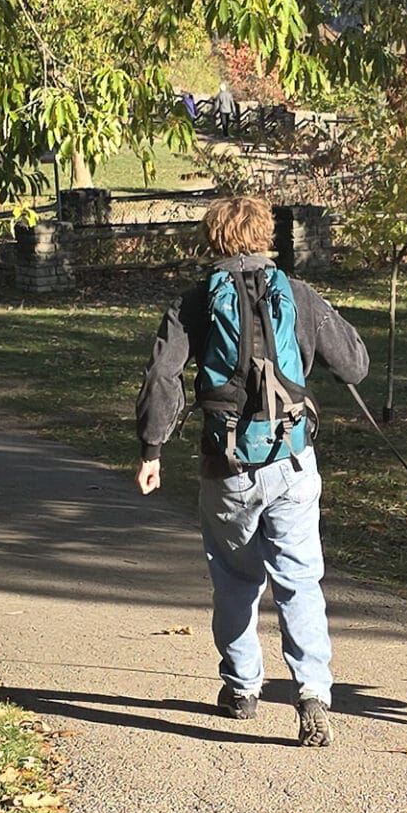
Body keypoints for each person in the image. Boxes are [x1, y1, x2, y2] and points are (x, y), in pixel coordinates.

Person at [135, 194, 369, 746]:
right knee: (300, 579)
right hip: (292, 460)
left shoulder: (194, 302)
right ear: (266, 236)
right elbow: (354, 364)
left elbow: (161, 378)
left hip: (227, 466)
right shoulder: (300, 295)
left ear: (210, 240)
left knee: (236, 578)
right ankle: (312, 693)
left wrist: (152, 450)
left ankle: (242, 688)